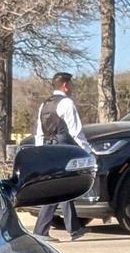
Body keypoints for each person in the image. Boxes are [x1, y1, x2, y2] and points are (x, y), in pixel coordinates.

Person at [32, 72, 92, 241]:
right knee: (59, 188)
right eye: (71, 84)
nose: (72, 87)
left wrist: (40, 151)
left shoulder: (44, 104)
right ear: (65, 85)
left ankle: (74, 228)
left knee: (62, 187)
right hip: (63, 148)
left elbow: (39, 131)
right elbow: (76, 131)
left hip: (47, 148)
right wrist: (87, 151)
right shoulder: (66, 103)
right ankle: (41, 230)